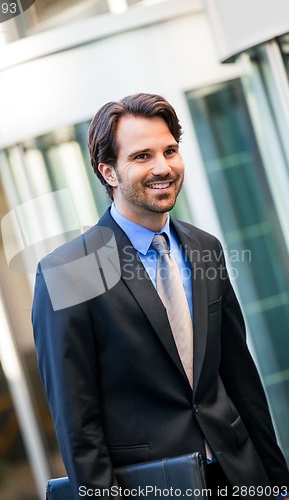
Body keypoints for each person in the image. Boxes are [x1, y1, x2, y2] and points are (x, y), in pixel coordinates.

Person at [32, 93, 289, 499]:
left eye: (170, 150)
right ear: (109, 172)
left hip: (239, 475)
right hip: (154, 487)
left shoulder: (205, 247)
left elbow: (241, 379)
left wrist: (277, 483)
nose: (162, 167)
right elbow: (78, 425)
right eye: (141, 156)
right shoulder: (69, 272)